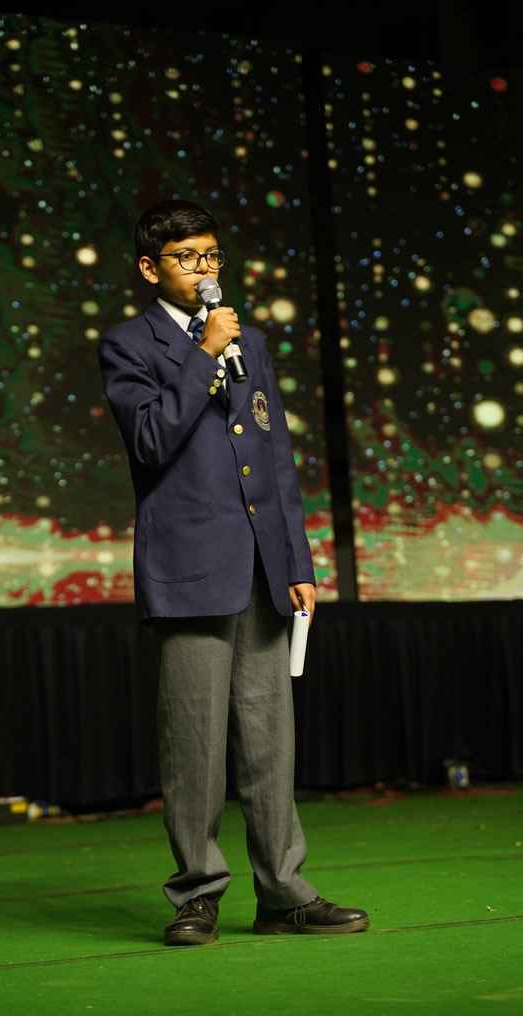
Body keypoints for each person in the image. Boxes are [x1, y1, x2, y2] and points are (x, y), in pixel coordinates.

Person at [97, 199, 369, 946]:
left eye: (211, 255)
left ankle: (283, 892)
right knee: (194, 745)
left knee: (269, 741)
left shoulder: (251, 341)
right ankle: (197, 894)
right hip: (189, 569)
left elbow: (273, 455)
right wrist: (203, 355)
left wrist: (297, 558)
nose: (204, 269)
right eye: (187, 257)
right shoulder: (130, 344)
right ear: (150, 267)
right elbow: (150, 441)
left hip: (262, 566)